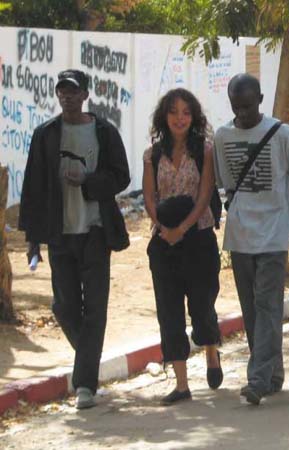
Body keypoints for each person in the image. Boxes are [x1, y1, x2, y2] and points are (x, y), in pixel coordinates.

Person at [18, 69, 130, 409]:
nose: (66, 96)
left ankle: (84, 386)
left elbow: (121, 177)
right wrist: (33, 239)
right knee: (64, 306)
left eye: (73, 91)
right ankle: (90, 364)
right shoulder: (46, 134)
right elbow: (33, 185)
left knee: (95, 308)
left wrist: (89, 180)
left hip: (96, 232)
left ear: (85, 95)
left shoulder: (104, 132)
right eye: (61, 91)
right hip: (60, 234)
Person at [213, 74, 289, 406]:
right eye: (236, 106)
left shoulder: (283, 134)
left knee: (267, 304)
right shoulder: (223, 137)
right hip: (239, 236)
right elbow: (224, 182)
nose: (241, 112)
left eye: (247, 104)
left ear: (261, 98)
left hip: (272, 234)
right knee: (252, 310)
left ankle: (257, 378)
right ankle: (273, 373)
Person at [142, 88, 223, 405]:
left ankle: (211, 352)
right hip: (163, 242)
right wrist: (164, 229)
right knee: (169, 310)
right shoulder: (152, 154)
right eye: (174, 112)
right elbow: (150, 197)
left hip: (198, 237)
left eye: (186, 112)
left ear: (194, 117)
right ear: (164, 115)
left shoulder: (204, 150)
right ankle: (181, 384)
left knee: (202, 305)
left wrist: (183, 228)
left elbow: (205, 195)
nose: (179, 118)